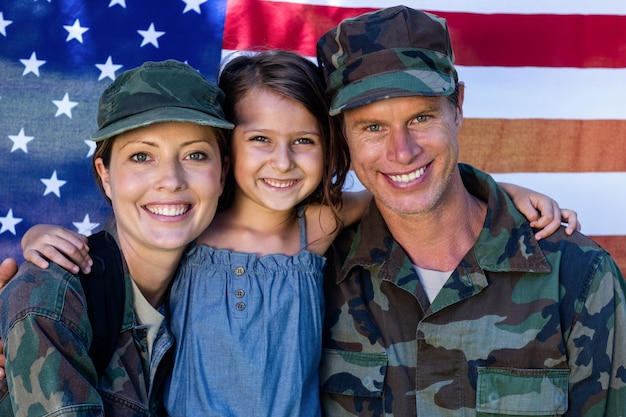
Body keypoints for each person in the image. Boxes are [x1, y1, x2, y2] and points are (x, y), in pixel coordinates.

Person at [0, 49, 581, 415]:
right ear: (228, 153)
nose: (281, 162)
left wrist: (499, 193)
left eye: (303, 142)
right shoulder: (193, 230)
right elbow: (112, 249)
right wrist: (37, 239)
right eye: (259, 140)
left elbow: (407, 187)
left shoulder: (320, 227)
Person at [315, 6, 626, 416]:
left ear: (458, 106)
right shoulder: (315, 272)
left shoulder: (577, 275)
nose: (402, 152)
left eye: (421, 117)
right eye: (372, 127)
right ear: (341, 133)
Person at [0, 59, 233, 416]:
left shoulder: (216, 298)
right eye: (142, 156)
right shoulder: (53, 297)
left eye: (195, 155)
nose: (170, 179)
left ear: (222, 174)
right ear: (105, 175)